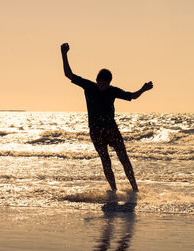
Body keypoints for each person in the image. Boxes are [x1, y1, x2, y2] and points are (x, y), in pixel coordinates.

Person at [60, 43, 153, 192]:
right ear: (96, 80)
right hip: (96, 130)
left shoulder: (112, 91)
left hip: (111, 128)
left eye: (104, 84)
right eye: (99, 83)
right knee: (105, 161)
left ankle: (135, 189)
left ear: (109, 83)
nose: (101, 86)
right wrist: (64, 54)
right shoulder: (89, 86)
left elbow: (132, 96)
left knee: (124, 158)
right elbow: (68, 74)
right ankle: (114, 191)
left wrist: (143, 89)